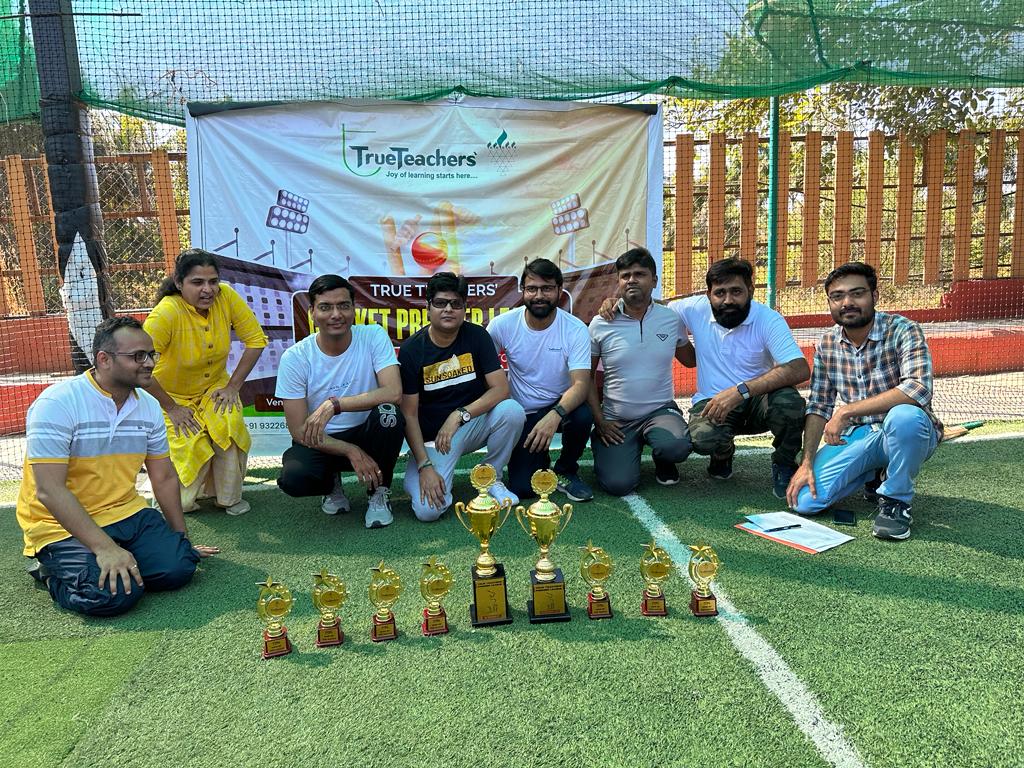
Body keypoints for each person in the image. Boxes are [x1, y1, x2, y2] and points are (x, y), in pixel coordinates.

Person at [17, 318, 219, 616]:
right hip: (58, 525)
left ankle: (123, 557)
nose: (149, 362)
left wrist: (182, 539)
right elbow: (49, 490)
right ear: (104, 360)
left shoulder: (149, 406)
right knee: (114, 595)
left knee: (179, 568)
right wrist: (104, 548)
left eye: (151, 354)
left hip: (126, 512)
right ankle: (50, 571)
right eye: (138, 356)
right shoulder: (57, 403)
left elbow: (162, 477)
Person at [786, 262, 943, 541]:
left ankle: (896, 501)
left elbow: (918, 389)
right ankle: (875, 473)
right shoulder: (827, 344)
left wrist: (846, 411)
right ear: (830, 303)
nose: (847, 302)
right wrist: (806, 462)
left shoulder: (904, 330)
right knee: (804, 501)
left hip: (905, 429)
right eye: (837, 296)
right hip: (859, 434)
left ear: (874, 296)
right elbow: (819, 405)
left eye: (857, 293)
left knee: (905, 416)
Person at [143, 249, 267, 517]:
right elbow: (139, 366)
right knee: (188, 445)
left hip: (214, 389)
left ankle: (228, 498)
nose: (208, 290)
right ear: (179, 283)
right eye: (197, 282)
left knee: (228, 421)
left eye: (213, 281)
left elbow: (256, 341)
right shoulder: (165, 313)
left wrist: (232, 387)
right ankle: (175, 498)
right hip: (171, 397)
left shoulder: (228, 297)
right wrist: (172, 408)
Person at [672, 258, 809, 498]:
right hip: (711, 400)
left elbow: (799, 368)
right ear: (708, 294)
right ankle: (723, 453)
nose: (727, 300)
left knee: (790, 403)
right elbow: (653, 307)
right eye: (720, 293)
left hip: (757, 400)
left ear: (751, 290)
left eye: (736, 291)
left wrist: (741, 391)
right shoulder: (693, 308)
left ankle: (785, 464)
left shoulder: (768, 319)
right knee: (703, 439)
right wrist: (615, 302)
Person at [275, 274, 404, 528]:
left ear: (354, 309)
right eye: (325, 307)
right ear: (312, 312)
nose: (336, 314)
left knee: (389, 415)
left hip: (367, 433)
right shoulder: (295, 357)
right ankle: (331, 484)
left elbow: (393, 392)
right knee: (295, 478)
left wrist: (335, 404)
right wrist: (349, 449)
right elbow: (299, 429)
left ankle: (379, 492)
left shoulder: (373, 336)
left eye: (343, 305)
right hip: (322, 440)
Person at [399, 271, 526, 520]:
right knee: (428, 512)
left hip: (470, 425)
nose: (448, 309)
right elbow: (409, 414)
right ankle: (416, 473)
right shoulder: (412, 349)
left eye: (456, 304)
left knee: (511, 411)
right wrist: (425, 465)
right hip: (435, 441)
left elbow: (501, 389)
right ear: (428, 307)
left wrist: (459, 415)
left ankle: (491, 477)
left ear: (464, 308)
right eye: (441, 303)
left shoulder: (477, 336)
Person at [487, 258, 594, 502]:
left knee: (582, 415)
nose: (539, 295)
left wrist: (555, 413)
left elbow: (581, 384)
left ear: (559, 291)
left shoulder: (575, 329)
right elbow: (486, 374)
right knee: (524, 489)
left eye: (547, 288)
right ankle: (541, 463)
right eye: (532, 288)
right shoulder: (502, 326)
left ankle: (566, 469)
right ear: (522, 291)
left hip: (561, 407)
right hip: (522, 413)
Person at [588, 247, 692, 496]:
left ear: (654, 280)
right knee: (618, 485)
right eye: (625, 275)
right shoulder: (601, 322)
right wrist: (600, 421)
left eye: (640, 274)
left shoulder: (671, 319)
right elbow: (586, 378)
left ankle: (663, 458)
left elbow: (691, 361)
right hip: (617, 419)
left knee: (675, 446)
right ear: (618, 282)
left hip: (660, 411)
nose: (632, 280)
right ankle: (613, 450)